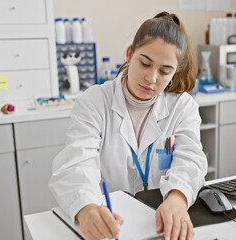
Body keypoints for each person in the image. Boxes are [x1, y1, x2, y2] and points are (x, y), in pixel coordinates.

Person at [49, 11, 207, 240]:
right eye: (145, 63)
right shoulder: (95, 101)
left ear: (175, 73)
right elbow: (76, 163)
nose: (151, 78)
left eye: (164, 71)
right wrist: (86, 208)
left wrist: (177, 198)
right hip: (112, 223)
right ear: (130, 54)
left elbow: (190, 159)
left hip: (158, 222)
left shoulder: (183, 107)